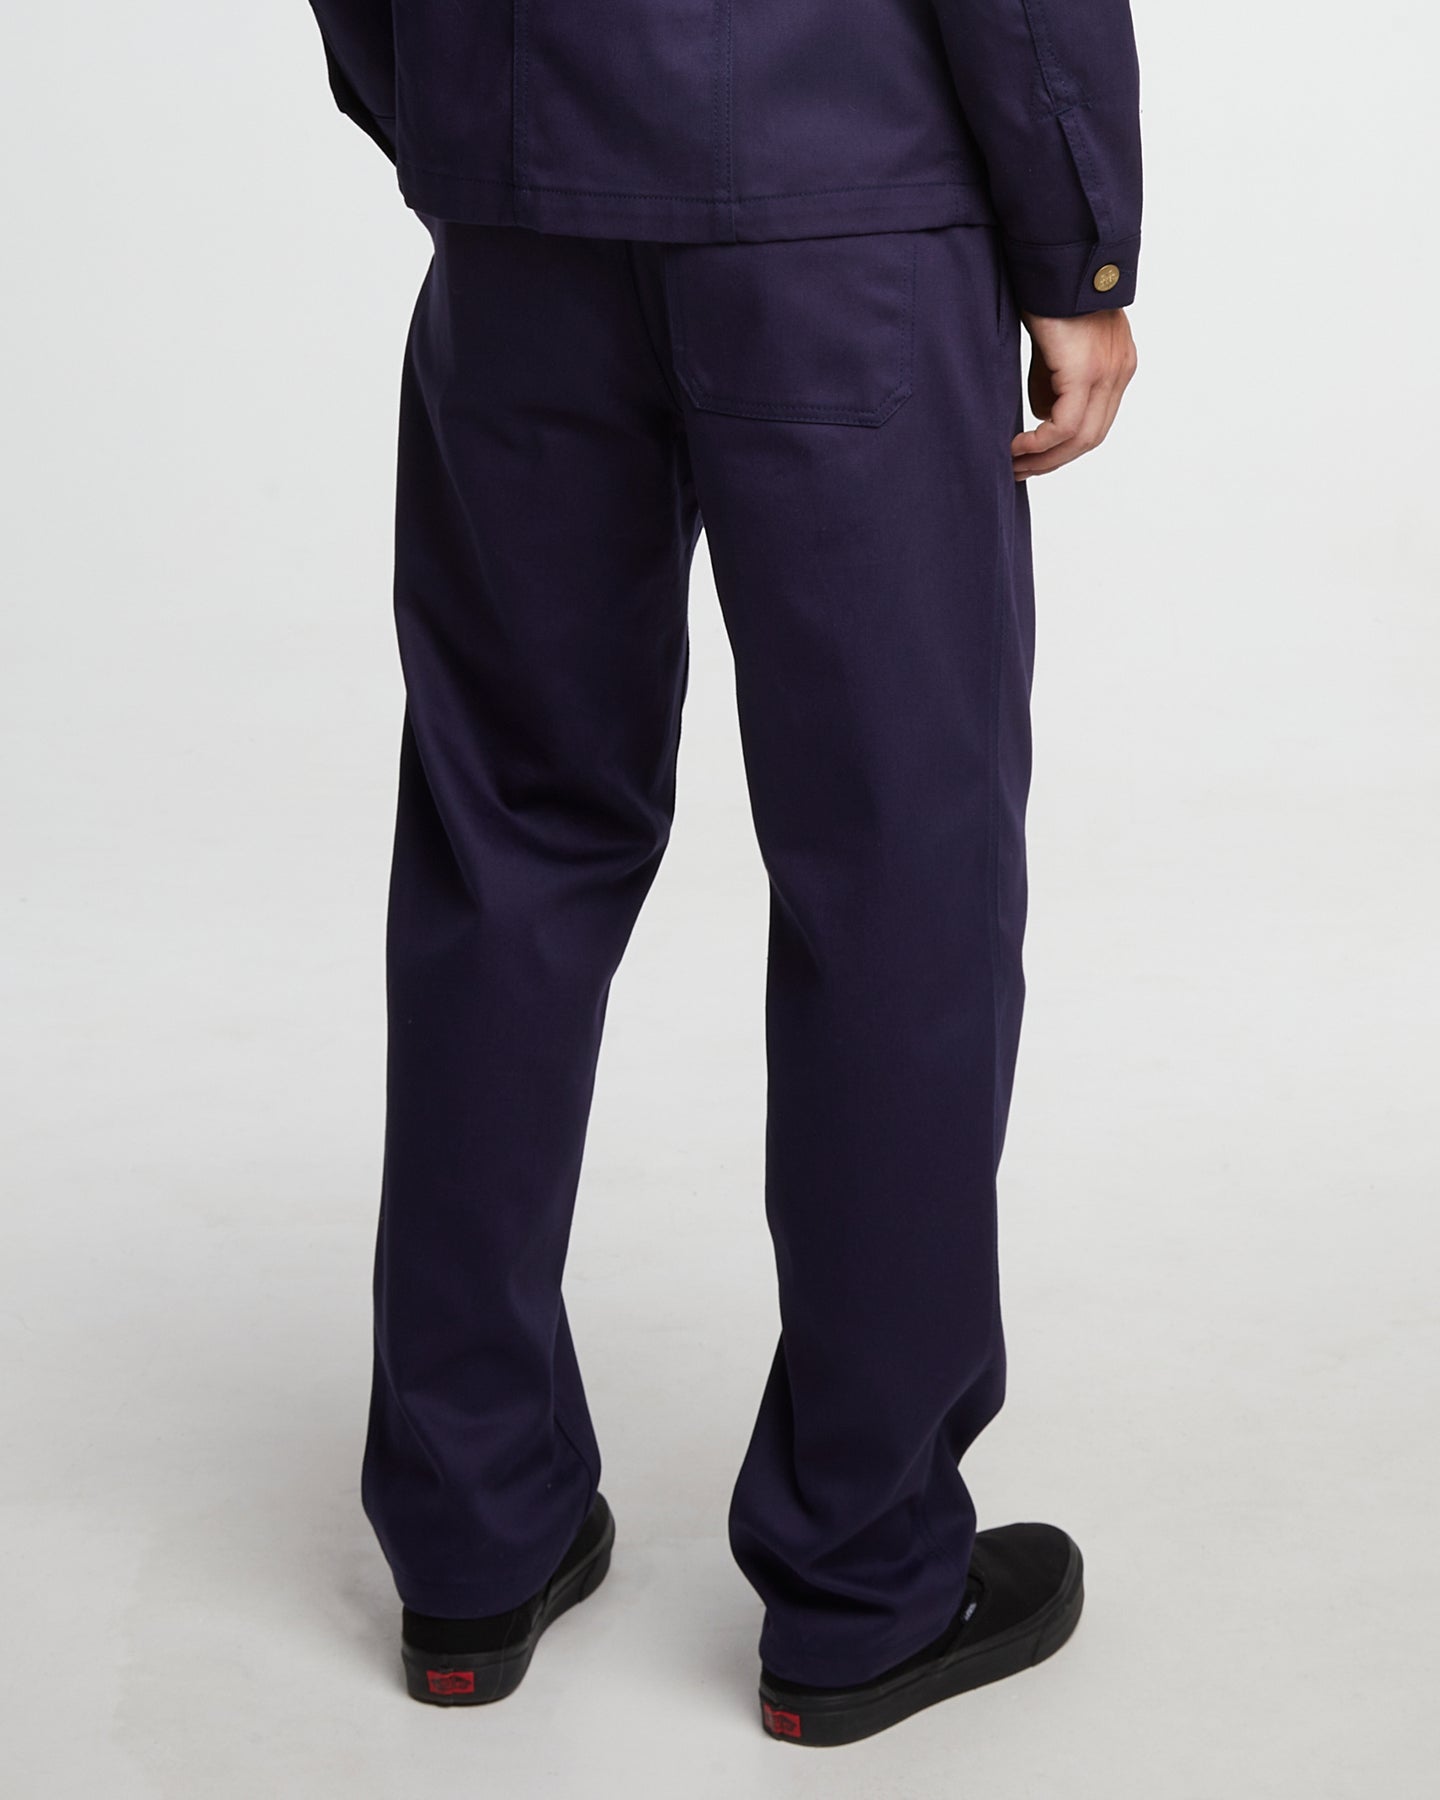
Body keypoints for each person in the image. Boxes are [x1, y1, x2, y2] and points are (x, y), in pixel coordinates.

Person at [305, 0, 1142, 1747]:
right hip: (842, 216)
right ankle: (866, 1581)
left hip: (524, 226)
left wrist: (465, 132)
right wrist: (1077, 249)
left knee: (507, 845)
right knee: (896, 881)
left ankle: (470, 1541)